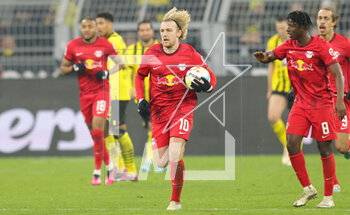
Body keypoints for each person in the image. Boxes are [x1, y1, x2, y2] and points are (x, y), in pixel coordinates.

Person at [254, 10, 346, 208]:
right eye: (288, 25)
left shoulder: (321, 46)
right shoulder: (288, 45)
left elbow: (338, 74)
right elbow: (272, 55)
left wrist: (339, 101)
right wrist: (264, 57)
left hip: (321, 103)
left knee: (324, 148)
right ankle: (308, 188)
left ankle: (328, 197)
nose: (287, 29)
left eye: (292, 26)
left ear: (303, 27)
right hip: (300, 104)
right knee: (292, 143)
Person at [135, 7, 216, 210]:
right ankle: (176, 154)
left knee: (174, 153)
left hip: (182, 108)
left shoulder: (190, 54)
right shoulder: (151, 53)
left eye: (168, 30)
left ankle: (175, 201)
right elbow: (139, 76)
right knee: (161, 163)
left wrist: (210, 86)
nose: (164, 34)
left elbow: (209, 75)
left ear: (179, 33)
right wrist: (140, 99)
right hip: (159, 112)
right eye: (162, 31)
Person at [61, 17, 122, 185]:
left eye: (90, 26)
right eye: (84, 27)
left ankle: (96, 172)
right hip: (84, 94)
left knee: (97, 130)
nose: (86, 29)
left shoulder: (104, 44)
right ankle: (110, 166)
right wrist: (74, 68)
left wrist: (108, 72)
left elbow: (120, 63)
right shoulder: (73, 45)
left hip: (101, 91)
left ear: (96, 28)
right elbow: (63, 68)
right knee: (94, 134)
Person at [96, 11, 138, 181]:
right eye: (96, 24)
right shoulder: (110, 40)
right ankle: (125, 170)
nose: (98, 27)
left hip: (116, 92)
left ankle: (124, 169)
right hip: (115, 91)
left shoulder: (113, 41)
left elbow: (118, 66)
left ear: (110, 24)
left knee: (113, 130)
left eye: (101, 23)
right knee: (115, 130)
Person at [316, 6, 350, 193]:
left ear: (334, 22)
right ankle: (333, 182)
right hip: (320, 100)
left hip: (341, 100)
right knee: (324, 141)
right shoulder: (313, 44)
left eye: (326, 18)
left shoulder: (344, 44)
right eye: (320, 18)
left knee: (342, 147)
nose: (322, 22)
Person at [125, 20, 166, 173]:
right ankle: (156, 160)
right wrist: (130, 88)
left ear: (152, 31)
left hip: (160, 94)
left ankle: (150, 161)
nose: (145, 32)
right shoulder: (131, 50)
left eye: (147, 29)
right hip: (142, 96)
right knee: (154, 128)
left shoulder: (161, 48)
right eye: (142, 30)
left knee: (153, 127)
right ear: (138, 33)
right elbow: (129, 72)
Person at [266, 15, 291, 166]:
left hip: (297, 88)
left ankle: (291, 151)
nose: (280, 31)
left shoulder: (297, 41)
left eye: (283, 28)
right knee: (272, 117)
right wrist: (269, 89)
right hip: (279, 87)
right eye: (278, 28)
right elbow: (271, 66)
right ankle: (287, 146)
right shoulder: (272, 41)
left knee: (298, 124)